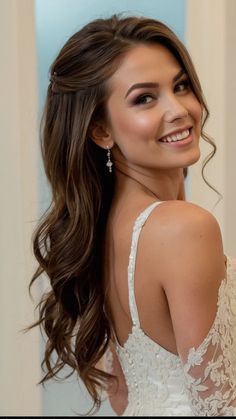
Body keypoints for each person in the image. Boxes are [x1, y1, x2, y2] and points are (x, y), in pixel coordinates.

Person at [30, 14, 236, 416]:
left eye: (180, 86)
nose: (178, 109)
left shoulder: (103, 232)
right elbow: (218, 407)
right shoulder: (183, 227)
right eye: (145, 98)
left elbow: (122, 396)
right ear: (101, 131)